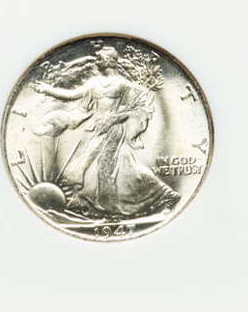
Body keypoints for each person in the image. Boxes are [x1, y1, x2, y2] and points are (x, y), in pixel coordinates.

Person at [33, 46, 179, 220]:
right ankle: (96, 205)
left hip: (114, 131)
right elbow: (72, 95)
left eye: (100, 58)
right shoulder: (94, 83)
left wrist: (114, 119)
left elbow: (136, 109)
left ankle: (113, 208)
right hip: (99, 131)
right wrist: (48, 90)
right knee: (96, 167)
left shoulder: (123, 85)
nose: (97, 61)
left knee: (104, 168)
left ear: (109, 61)